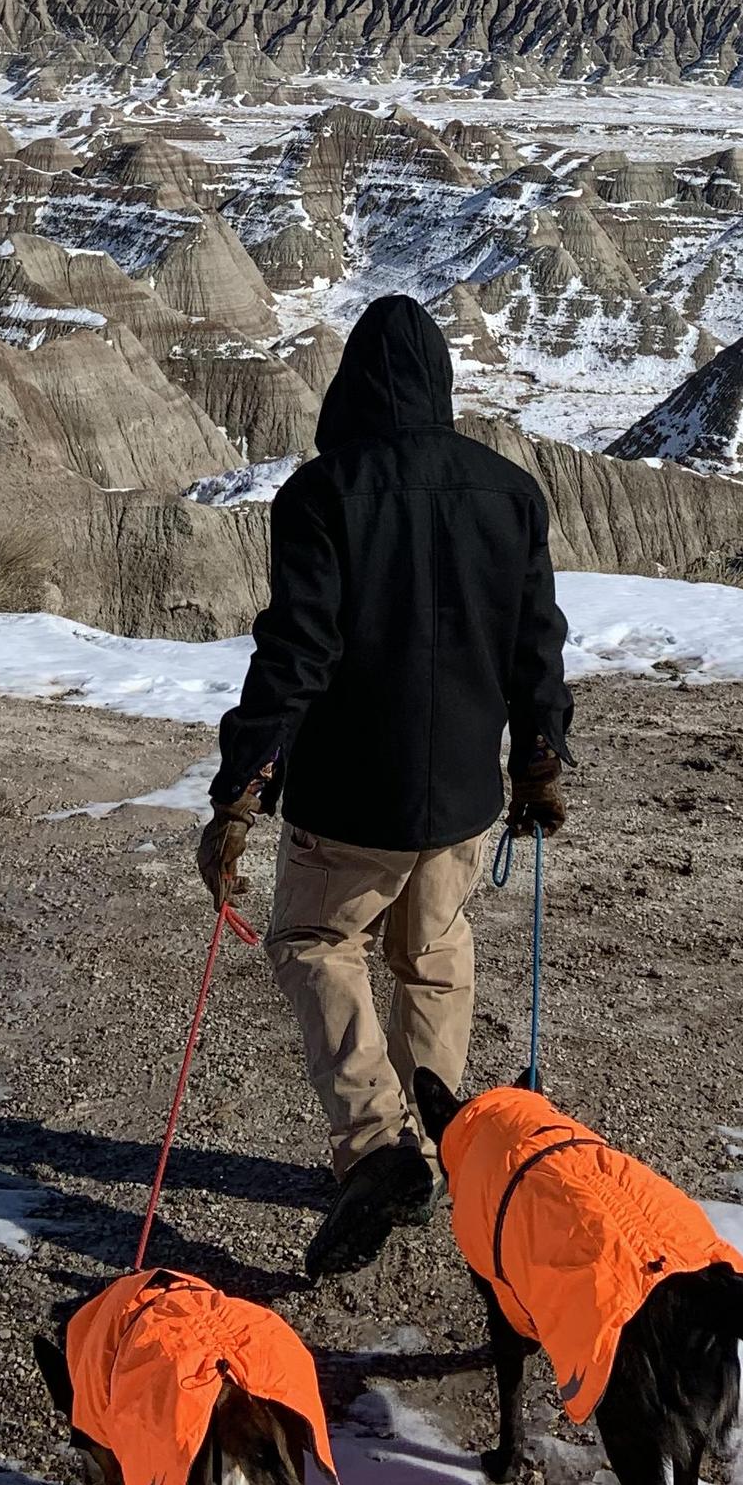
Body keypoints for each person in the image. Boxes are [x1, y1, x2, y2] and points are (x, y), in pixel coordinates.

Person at [197, 293, 571, 1280]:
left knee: (317, 943)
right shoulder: (511, 493)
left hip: (351, 800)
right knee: (434, 958)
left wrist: (242, 786)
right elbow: (538, 646)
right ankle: (441, 1150)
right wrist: (539, 758)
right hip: (458, 802)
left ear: (351, 387)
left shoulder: (324, 496)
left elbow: (297, 655)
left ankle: (376, 1150)